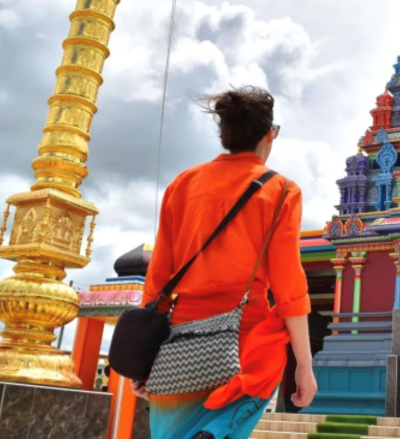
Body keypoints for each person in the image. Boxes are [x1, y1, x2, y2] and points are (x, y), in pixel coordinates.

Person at [133, 86, 318, 439]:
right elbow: (289, 288)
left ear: (224, 134)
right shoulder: (281, 190)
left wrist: (145, 358)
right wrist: (304, 367)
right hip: (243, 342)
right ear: (269, 134)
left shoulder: (182, 184)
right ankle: (216, 431)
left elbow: (158, 281)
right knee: (270, 348)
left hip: (180, 343)